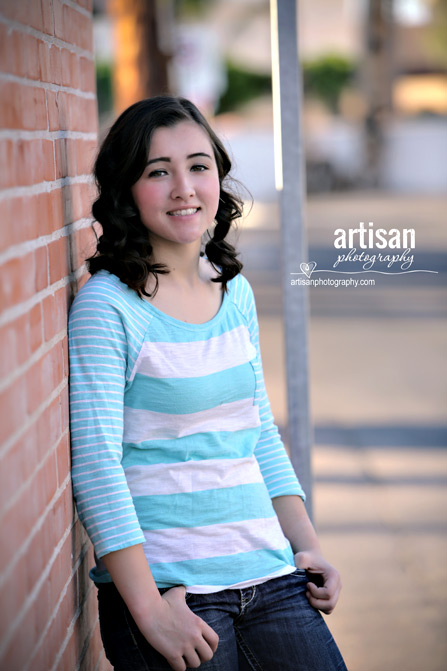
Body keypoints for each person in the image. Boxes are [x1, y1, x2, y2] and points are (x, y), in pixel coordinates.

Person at [68, 96, 347, 671]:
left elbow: (258, 432)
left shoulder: (233, 290)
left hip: (270, 576)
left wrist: (307, 545)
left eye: (198, 166)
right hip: (173, 594)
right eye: (157, 172)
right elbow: (97, 466)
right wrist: (146, 610)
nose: (183, 188)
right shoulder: (108, 308)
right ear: (125, 190)